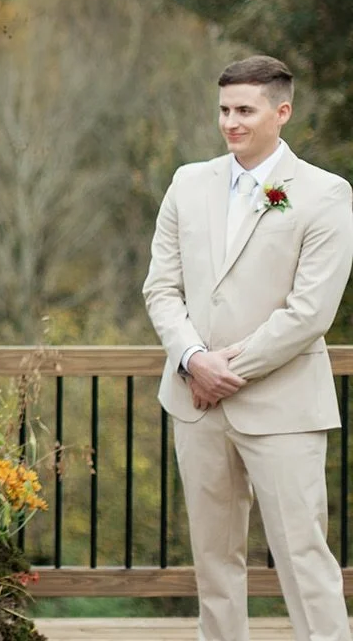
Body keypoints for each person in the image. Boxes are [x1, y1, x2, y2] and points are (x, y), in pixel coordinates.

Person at [143, 55, 353, 641]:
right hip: (196, 403)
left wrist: (224, 371)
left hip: (283, 406)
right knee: (213, 562)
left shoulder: (325, 194)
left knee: (303, 556)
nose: (231, 123)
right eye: (224, 110)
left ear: (282, 112)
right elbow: (161, 287)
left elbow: (310, 312)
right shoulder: (188, 183)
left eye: (245, 110)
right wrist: (193, 360)